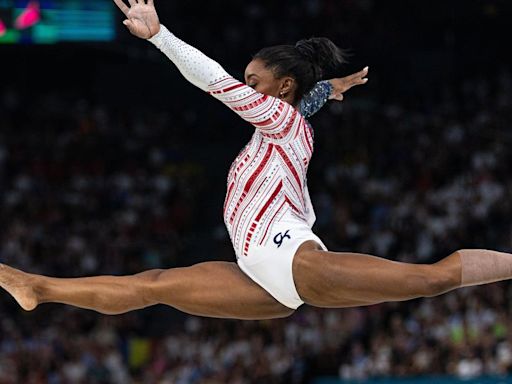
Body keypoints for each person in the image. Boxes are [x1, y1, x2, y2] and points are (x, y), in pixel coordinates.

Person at [1, 0, 512, 321]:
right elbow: (303, 104)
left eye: (255, 81)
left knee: (431, 280)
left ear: (280, 87)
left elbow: (214, 81)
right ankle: (37, 288)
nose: (247, 88)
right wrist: (332, 87)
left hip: (288, 256)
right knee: (150, 287)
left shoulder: (278, 119)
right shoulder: (283, 124)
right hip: (260, 274)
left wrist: (160, 36)